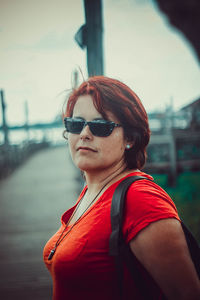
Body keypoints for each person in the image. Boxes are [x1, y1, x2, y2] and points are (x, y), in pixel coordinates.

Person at [43, 76, 200, 300]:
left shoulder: (141, 200)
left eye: (100, 126)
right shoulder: (92, 191)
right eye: (75, 124)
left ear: (130, 138)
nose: (84, 134)